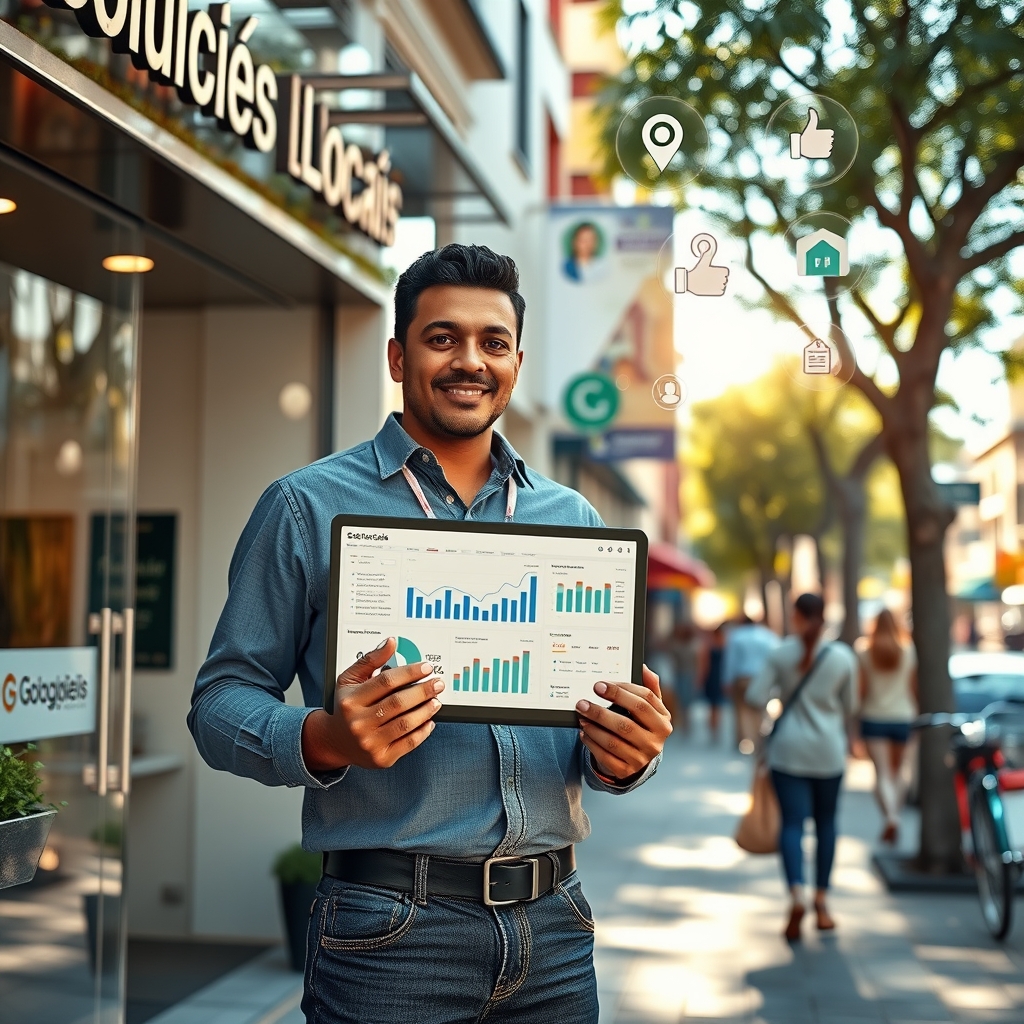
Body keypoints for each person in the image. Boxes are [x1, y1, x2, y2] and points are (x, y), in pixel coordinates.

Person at [188, 244, 672, 1024]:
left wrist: (626, 755)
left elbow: (592, 730)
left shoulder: (575, 521)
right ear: (397, 355)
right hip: (390, 938)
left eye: (493, 342)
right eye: (442, 338)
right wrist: (326, 738)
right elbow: (218, 704)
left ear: (516, 362)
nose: (469, 361)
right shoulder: (304, 507)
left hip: (555, 932)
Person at [746, 593, 857, 942]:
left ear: (796, 616)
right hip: (828, 752)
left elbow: (754, 696)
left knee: (792, 824)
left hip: (788, 752)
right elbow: (851, 705)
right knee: (826, 823)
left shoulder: (781, 653)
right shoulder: (843, 657)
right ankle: (822, 901)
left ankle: (796, 894)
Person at [857, 609, 918, 846]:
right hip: (904, 716)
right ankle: (895, 815)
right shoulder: (909, 651)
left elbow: (860, 690)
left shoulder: (863, 651)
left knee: (882, 773)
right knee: (901, 771)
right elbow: (914, 688)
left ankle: (891, 817)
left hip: (873, 717)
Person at [723, 613, 779, 751]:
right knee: (759, 710)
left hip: (742, 677)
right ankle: (759, 739)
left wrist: (727, 680)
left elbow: (731, 660)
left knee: (741, 710)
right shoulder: (768, 636)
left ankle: (744, 740)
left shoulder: (736, 636)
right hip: (762, 677)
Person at [663, 621, 701, 736]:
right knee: (682, 699)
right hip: (682, 674)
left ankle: (684, 721)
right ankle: (684, 722)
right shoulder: (687, 645)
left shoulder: (689, 645)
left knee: (684, 699)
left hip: (686, 674)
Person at [701, 624, 725, 743]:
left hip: (713, 677)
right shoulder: (724, 646)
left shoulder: (710, 646)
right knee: (716, 705)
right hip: (718, 676)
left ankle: (714, 729)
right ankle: (715, 729)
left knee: (713, 705)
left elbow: (705, 664)